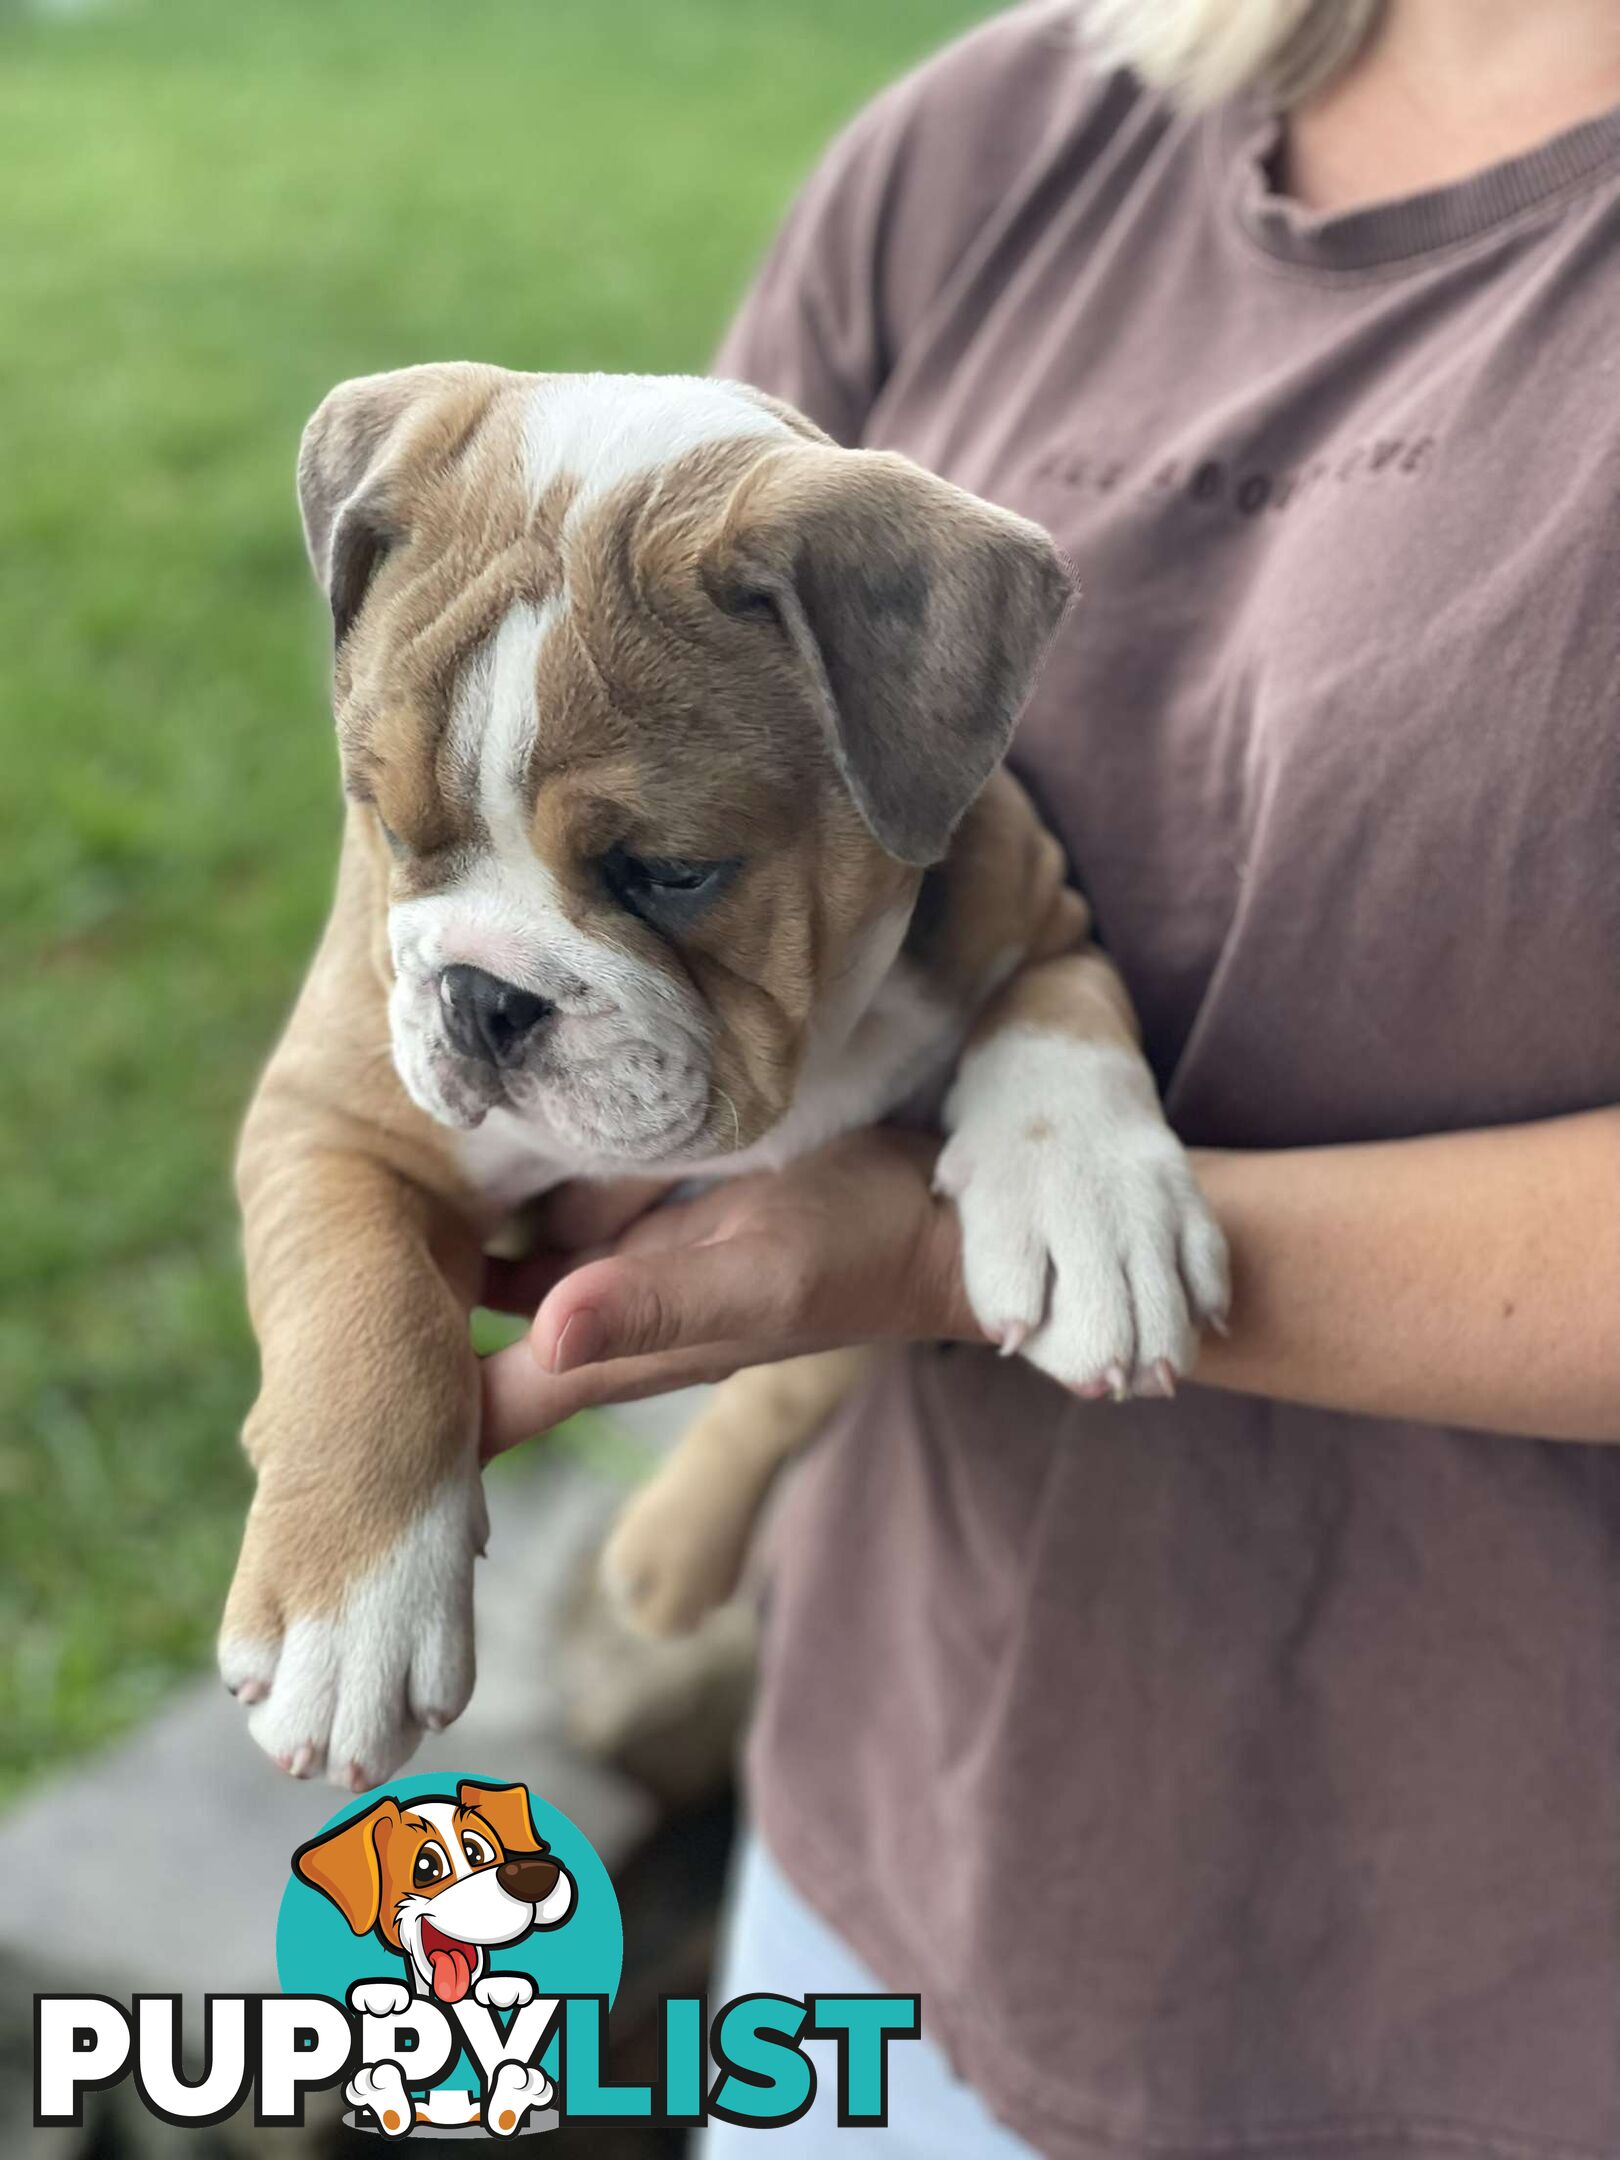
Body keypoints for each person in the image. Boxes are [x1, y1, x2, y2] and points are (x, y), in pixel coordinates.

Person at [482, 1, 1620, 2150]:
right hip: (899, 1893)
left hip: (1501, 2022)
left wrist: (944, 1252)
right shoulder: (1002, 141)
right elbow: (646, 768)